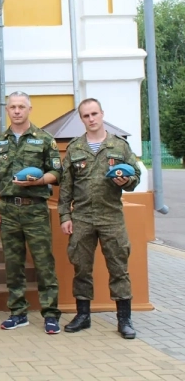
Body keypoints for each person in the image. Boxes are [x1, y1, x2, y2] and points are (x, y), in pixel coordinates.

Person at [58, 98, 140, 339]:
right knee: (81, 267)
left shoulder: (119, 146)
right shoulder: (75, 148)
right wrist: (65, 215)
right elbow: (66, 187)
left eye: (94, 114)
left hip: (111, 216)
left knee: (119, 268)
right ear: (81, 119)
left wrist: (127, 181)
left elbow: (135, 175)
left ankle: (124, 320)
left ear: (102, 114)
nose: (91, 119)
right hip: (82, 217)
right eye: (86, 115)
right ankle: (83, 315)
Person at [0, 91, 63, 334]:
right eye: (12, 107)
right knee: (13, 264)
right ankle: (18, 312)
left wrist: (38, 182)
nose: (17, 111)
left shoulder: (44, 139)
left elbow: (57, 173)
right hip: (8, 210)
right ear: (7, 110)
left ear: (29, 109)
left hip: (35, 210)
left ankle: (51, 314)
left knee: (43, 263)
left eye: (21, 106)